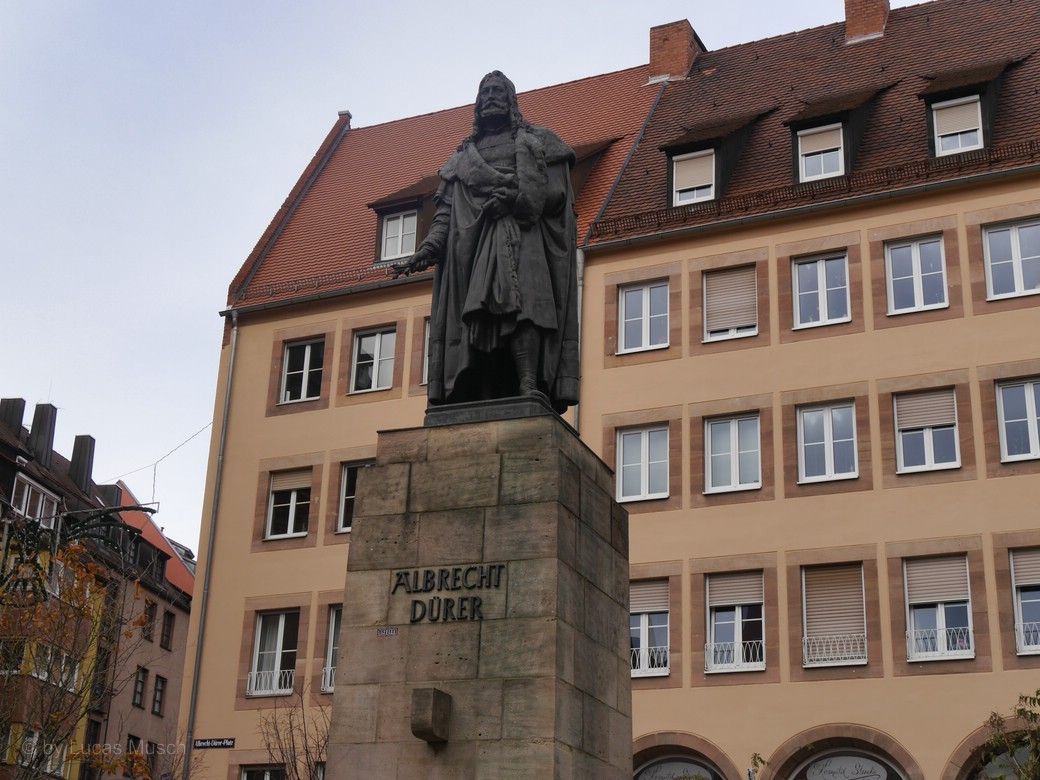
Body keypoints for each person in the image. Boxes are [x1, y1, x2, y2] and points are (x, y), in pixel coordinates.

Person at [394, 71, 579, 413]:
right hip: (475, 249)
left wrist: (515, 200)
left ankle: (528, 383)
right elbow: (445, 215)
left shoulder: (539, 141)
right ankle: (482, 393)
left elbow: (557, 194)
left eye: (498, 91)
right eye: (485, 92)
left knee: (528, 308)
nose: (491, 97)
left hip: (526, 236)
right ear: (478, 104)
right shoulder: (462, 159)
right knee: (482, 316)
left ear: (511, 100)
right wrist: (427, 250)